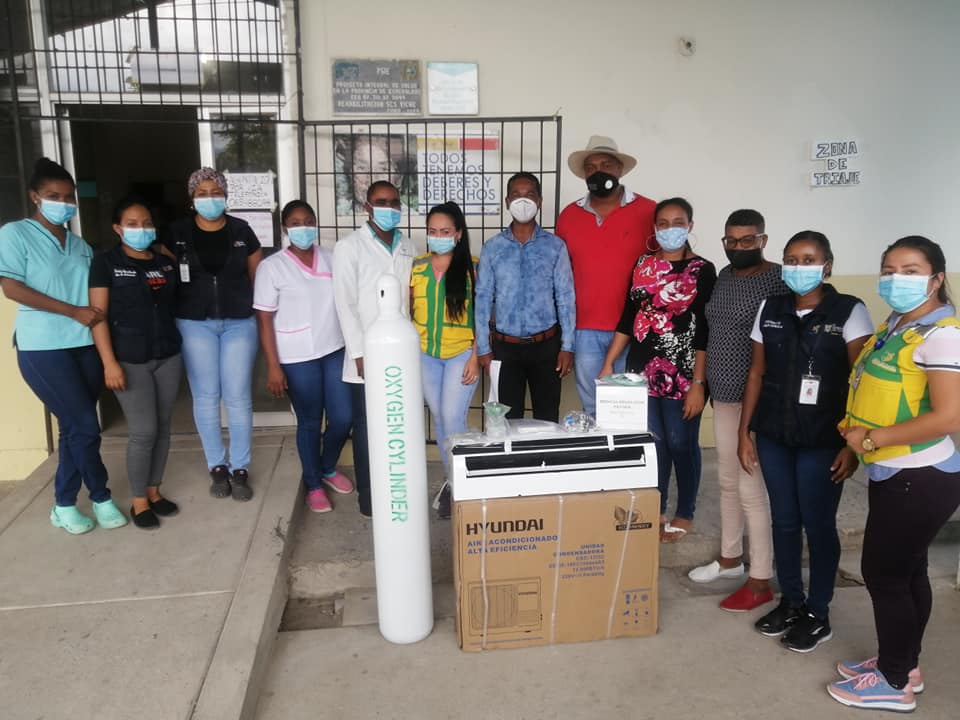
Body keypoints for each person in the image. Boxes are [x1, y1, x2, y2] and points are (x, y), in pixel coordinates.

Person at [827, 236, 960, 712]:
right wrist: (861, 436)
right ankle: (903, 663)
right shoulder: (898, 324)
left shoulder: (942, 334)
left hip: (918, 475)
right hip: (895, 472)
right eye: (888, 270)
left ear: (936, 278)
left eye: (910, 270)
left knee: (884, 575)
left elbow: (949, 416)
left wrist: (871, 440)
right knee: (908, 571)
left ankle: (893, 682)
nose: (895, 279)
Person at [738, 231, 872, 652]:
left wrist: (851, 446)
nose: (799, 267)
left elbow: (861, 382)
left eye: (809, 259)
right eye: (792, 260)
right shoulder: (770, 308)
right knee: (783, 520)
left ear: (827, 266)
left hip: (823, 438)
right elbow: (756, 373)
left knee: (818, 523)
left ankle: (818, 612)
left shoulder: (850, 311)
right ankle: (792, 601)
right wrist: (745, 432)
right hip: (775, 434)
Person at [0, 157, 126, 533]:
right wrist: (73, 311)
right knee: (85, 425)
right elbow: (12, 287)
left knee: (73, 428)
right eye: (54, 196)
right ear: (35, 196)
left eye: (69, 197)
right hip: (43, 348)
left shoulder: (80, 245)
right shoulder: (15, 234)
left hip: (84, 344)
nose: (64, 203)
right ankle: (101, 496)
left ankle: (64, 503)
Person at [599, 197, 716, 543]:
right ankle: (658, 506)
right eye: (663, 223)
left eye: (678, 222)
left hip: (685, 372)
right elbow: (628, 316)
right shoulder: (643, 264)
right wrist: (609, 362)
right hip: (643, 371)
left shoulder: (703, 269)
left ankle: (685, 511)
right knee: (655, 442)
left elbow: (705, 329)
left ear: (690, 226)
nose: (670, 229)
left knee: (681, 442)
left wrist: (699, 382)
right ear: (654, 228)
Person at [687, 209, 786, 612]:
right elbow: (711, 330)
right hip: (724, 395)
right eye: (732, 240)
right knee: (728, 481)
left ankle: (760, 577)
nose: (739, 247)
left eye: (748, 240)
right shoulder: (725, 276)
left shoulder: (779, 280)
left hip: (756, 401)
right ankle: (731, 560)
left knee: (750, 487)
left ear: (763, 240)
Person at [164, 167, 263, 501]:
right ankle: (217, 466)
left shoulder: (242, 230)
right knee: (206, 396)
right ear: (192, 198)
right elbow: (166, 275)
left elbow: (257, 278)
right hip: (194, 323)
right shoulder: (176, 232)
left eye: (216, 192)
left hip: (239, 323)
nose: (210, 198)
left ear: (225, 195)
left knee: (238, 397)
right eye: (202, 193)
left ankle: (240, 467)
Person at [254, 200, 354, 514]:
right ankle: (313, 484)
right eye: (295, 223)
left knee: (343, 417)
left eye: (308, 221)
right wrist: (273, 366)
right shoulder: (272, 267)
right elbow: (264, 318)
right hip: (296, 356)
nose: (303, 227)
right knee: (309, 421)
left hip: (333, 348)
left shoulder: (332, 258)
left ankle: (326, 467)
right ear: (285, 228)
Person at [88, 199, 183, 530]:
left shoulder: (164, 263)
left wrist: (170, 257)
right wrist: (109, 363)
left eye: (146, 223)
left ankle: (155, 491)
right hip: (129, 359)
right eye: (132, 224)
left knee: (163, 427)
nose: (141, 229)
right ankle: (139, 500)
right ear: (118, 228)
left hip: (168, 354)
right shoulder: (106, 263)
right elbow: (98, 316)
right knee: (143, 432)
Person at [333, 180, 416, 517]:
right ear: (367, 207)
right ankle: (368, 494)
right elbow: (345, 303)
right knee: (367, 425)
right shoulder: (348, 247)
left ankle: (397, 485)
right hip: (366, 353)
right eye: (381, 202)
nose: (389, 208)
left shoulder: (408, 245)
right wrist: (358, 354)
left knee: (398, 422)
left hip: (402, 350)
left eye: (394, 202)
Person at [556, 135, 656, 417]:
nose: (598, 171)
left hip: (634, 328)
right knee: (593, 407)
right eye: (590, 167)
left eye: (606, 165)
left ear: (620, 169)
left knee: (630, 409)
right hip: (584, 329)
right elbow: (560, 276)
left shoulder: (649, 211)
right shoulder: (569, 216)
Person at [475, 172, 575, 422]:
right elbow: (483, 299)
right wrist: (484, 349)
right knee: (508, 421)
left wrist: (567, 346)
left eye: (529, 195)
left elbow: (565, 297)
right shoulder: (492, 248)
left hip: (546, 347)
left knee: (547, 418)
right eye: (516, 195)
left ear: (539, 201)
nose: (523, 201)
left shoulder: (555, 246)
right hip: (504, 348)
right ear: (507, 201)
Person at [410, 201, 479, 518]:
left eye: (445, 231)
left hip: (460, 354)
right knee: (439, 418)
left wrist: (475, 356)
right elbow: (407, 311)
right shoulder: (417, 267)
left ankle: (463, 485)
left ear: (458, 233)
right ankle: (453, 482)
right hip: (426, 354)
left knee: (452, 418)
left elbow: (483, 317)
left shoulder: (473, 269)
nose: (438, 237)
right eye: (433, 231)